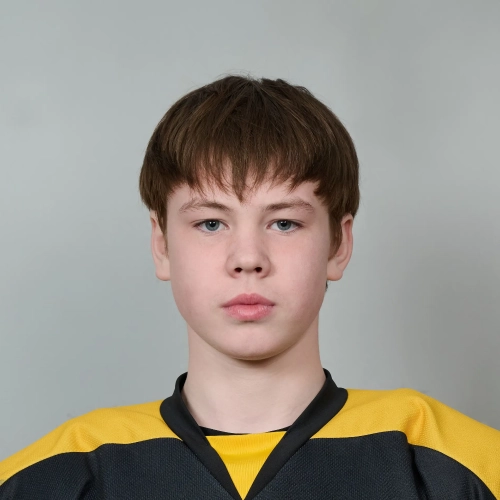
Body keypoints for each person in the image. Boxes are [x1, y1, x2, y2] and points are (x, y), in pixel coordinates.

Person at [1, 75, 499, 500]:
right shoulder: (57, 476)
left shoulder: (457, 465)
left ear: (338, 245)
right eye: (210, 224)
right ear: (161, 244)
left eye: (284, 223)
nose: (247, 259)